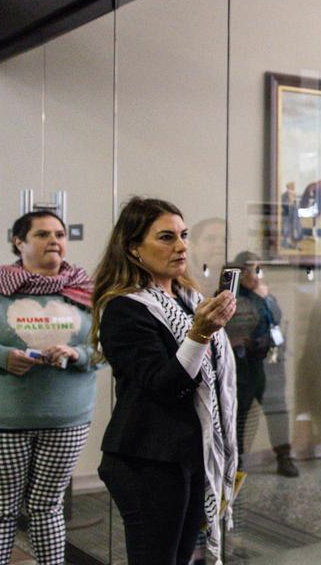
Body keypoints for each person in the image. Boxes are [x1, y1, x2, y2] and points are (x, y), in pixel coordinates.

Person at [92, 197, 238, 564]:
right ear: (133, 249)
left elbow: (213, 376)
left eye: (183, 235)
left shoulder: (188, 300)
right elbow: (165, 385)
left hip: (188, 454)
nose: (181, 246)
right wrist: (200, 335)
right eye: (166, 237)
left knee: (181, 556)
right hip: (147, 458)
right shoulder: (125, 308)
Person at [0, 210, 99, 565]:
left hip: (66, 421)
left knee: (48, 507)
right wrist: (0, 356)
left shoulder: (85, 291)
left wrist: (76, 353)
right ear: (19, 242)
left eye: (60, 234)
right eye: (43, 235)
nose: (54, 242)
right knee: (1, 510)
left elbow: (108, 350)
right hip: (1, 422)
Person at [224, 251, 298, 478]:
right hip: (244, 363)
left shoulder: (264, 294)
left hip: (269, 362)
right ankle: (235, 460)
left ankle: (283, 456)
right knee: (240, 412)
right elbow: (231, 326)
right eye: (248, 269)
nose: (253, 275)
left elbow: (276, 318)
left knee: (277, 410)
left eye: (256, 269)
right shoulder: (230, 295)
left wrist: (265, 297)